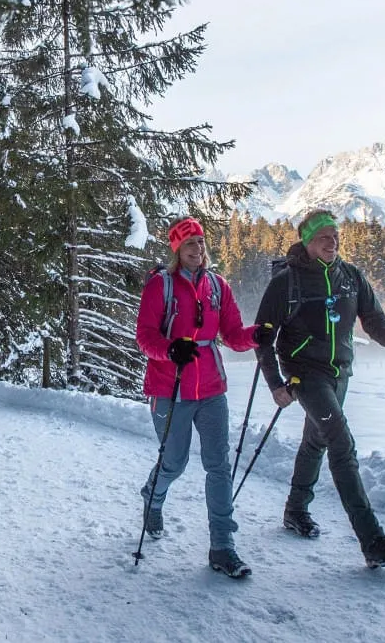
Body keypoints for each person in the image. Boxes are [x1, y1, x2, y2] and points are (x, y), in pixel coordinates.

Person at [253, 208, 385, 569]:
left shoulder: (350, 276)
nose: (332, 242)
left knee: (316, 439)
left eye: (335, 236)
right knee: (340, 441)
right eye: (324, 237)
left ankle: (295, 510)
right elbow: (262, 338)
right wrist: (276, 384)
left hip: (340, 373)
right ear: (308, 241)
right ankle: (373, 541)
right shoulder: (286, 282)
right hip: (305, 374)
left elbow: (375, 323)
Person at [136, 216, 260, 579]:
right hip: (168, 387)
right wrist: (170, 349)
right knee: (173, 462)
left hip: (210, 388)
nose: (198, 249)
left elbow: (234, 335)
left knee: (218, 465)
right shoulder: (161, 285)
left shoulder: (217, 285)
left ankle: (223, 547)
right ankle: (153, 497)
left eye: (201, 243)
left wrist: (258, 335)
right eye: (190, 244)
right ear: (177, 249)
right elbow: (144, 337)